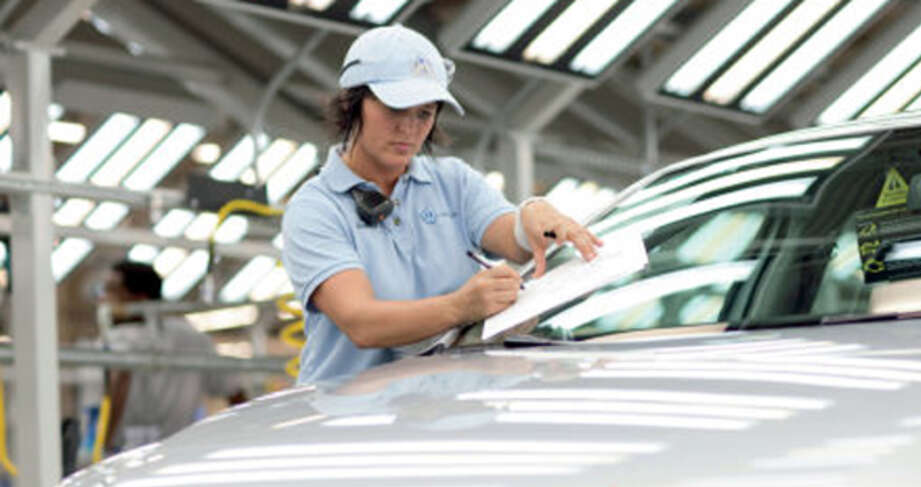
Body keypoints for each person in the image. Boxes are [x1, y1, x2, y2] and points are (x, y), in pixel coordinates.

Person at [281, 24, 602, 384]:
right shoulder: (316, 208)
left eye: (424, 113)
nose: (410, 128)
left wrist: (534, 215)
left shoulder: (453, 182)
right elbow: (362, 323)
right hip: (351, 419)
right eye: (394, 108)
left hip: (447, 410)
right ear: (352, 103)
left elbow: (512, 236)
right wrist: (460, 307)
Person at [99, 261, 242, 453]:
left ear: (139, 297)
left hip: (129, 452)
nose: (104, 299)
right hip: (183, 450)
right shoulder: (192, 337)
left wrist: (102, 445)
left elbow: (120, 380)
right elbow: (234, 392)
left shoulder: (117, 339)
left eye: (112, 290)